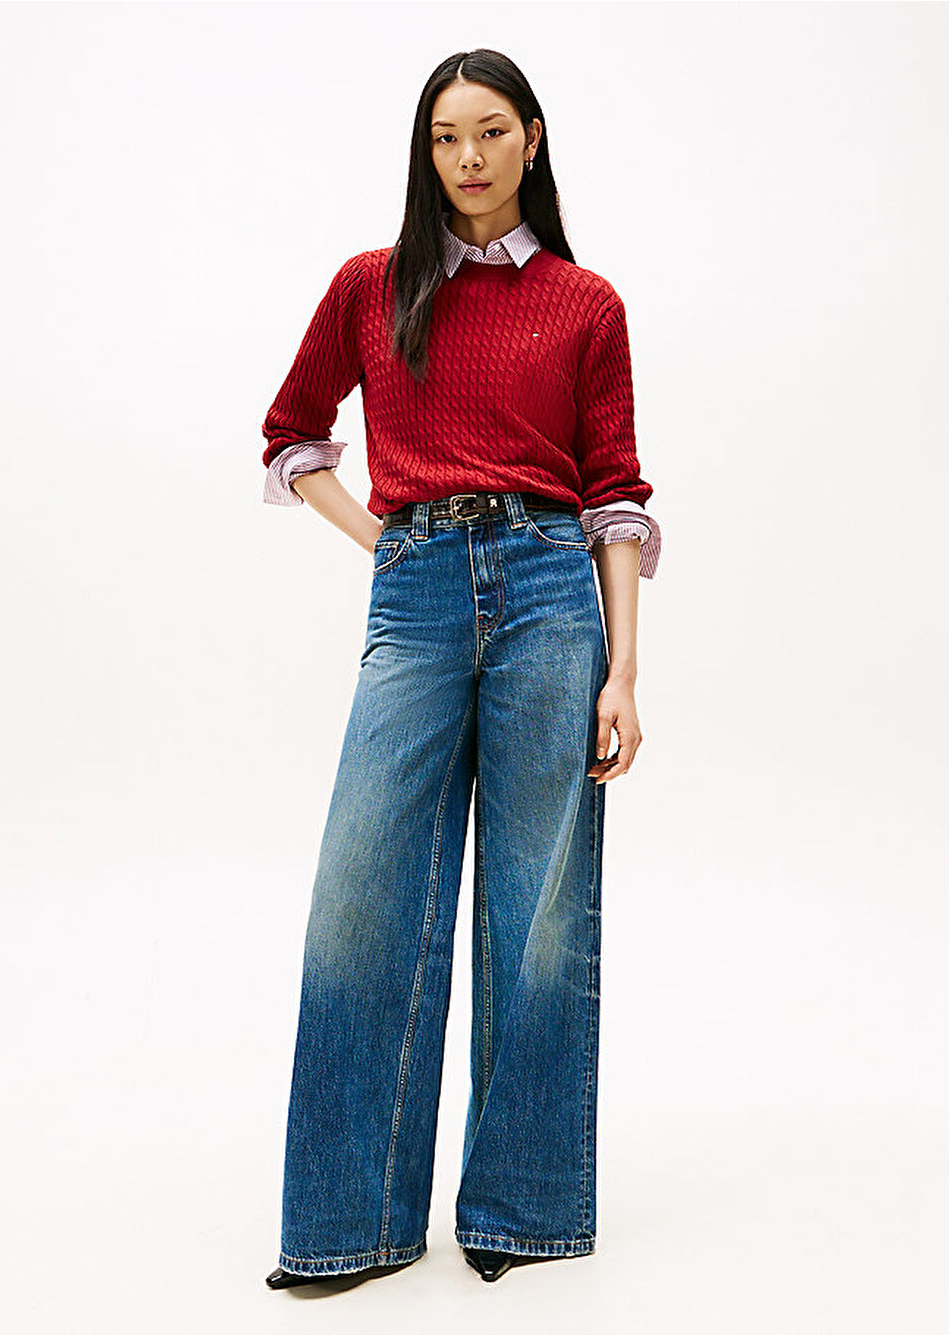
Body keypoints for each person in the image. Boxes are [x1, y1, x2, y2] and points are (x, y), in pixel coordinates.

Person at [258, 48, 662, 1288]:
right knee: (362, 892)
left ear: (531, 139)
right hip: (419, 589)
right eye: (445, 137)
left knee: (538, 909)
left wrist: (624, 672)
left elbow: (614, 494)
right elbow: (292, 436)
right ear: (424, 151)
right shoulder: (371, 286)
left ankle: (520, 1211)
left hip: (551, 592)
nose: (468, 158)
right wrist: (388, 542)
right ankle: (347, 1223)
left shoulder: (586, 303)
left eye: (490, 131)